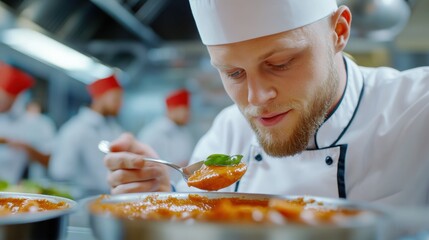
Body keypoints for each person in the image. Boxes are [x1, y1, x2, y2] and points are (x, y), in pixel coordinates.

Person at [103, 0, 429, 206]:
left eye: (281, 63)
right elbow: (197, 219)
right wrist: (164, 202)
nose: (256, 99)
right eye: (233, 73)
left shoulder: (417, 109)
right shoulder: (229, 130)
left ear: (338, 32)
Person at [49, 73, 124, 198]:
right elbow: (60, 171)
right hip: (84, 200)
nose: (120, 104)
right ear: (99, 97)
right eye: (116, 99)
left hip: (112, 197)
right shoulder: (75, 129)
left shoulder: (114, 129)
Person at [0, 62, 56, 184]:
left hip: (25, 189)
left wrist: (26, 147)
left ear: (14, 98)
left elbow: (52, 163)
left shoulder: (39, 124)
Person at [137, 89, 195, 184]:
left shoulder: (184, 132)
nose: (188, 114)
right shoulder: (152, 133)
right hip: (157, 187)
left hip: (181, 187)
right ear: (172, 110)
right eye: (184, 110)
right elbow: (143, 163)